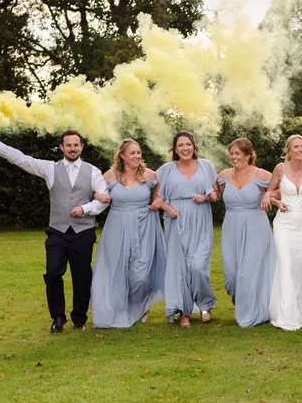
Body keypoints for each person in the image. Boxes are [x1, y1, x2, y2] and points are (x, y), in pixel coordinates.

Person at [0, 128, 108, 333]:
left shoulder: (93, 171)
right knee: (52, 273)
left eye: (76, 145)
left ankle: (79, 318)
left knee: (82, 277)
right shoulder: (50, 168)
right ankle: (58, 317)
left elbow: (103, 199)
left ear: (82, 147)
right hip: (57, 232)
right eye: (68, 145)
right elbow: (21, 160)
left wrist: (85, 209)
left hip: (82, 233)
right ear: (61, 147)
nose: (72, 148)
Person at [90, 139, 166, 328]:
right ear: (122, 155)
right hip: (117, 226)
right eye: (132, 153)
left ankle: (141, 305)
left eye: (138, 153)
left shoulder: (149, 175)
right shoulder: (110, 175)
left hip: (145, 226)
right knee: (118, 270)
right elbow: (95, 192)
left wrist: (158, 200)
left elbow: (162, 191)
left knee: (141, 274)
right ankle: (121, 308)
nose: (136, 156)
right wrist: (97, 195)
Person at [152, 131, 218, 327]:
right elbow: (157, 199)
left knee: (198, 267)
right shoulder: (166, 169)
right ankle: (184, 312)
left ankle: (206, 304)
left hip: (200, 220)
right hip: (175, 220)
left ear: (194, 146)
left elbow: (216, 195)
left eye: (188, 144)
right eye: (181, 145)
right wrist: (167, 207)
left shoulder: (206, 166)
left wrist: (206, 197)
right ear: (175, 149)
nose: (185, 148)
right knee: (178, 268)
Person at [263, 134, 302, 331]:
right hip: (284, 224)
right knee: (286, 264)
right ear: (288, 150)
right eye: (296, 147)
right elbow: (270, 192)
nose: (301, 150)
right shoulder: (280, 169)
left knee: (301, 266)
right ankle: (287, 313)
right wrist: (276, 202)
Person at [215, 138, 275, 328]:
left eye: (238, 153)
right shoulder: (223, 176)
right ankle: (242, 302)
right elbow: (215, 194)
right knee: (232, 274)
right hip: (231, 226)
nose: (234, 157)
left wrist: (268, 194)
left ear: (249, 155)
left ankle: (252, 312)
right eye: (231, 153)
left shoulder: (262, 175)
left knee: (248, 273)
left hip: (256, 226)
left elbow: (282, 188)